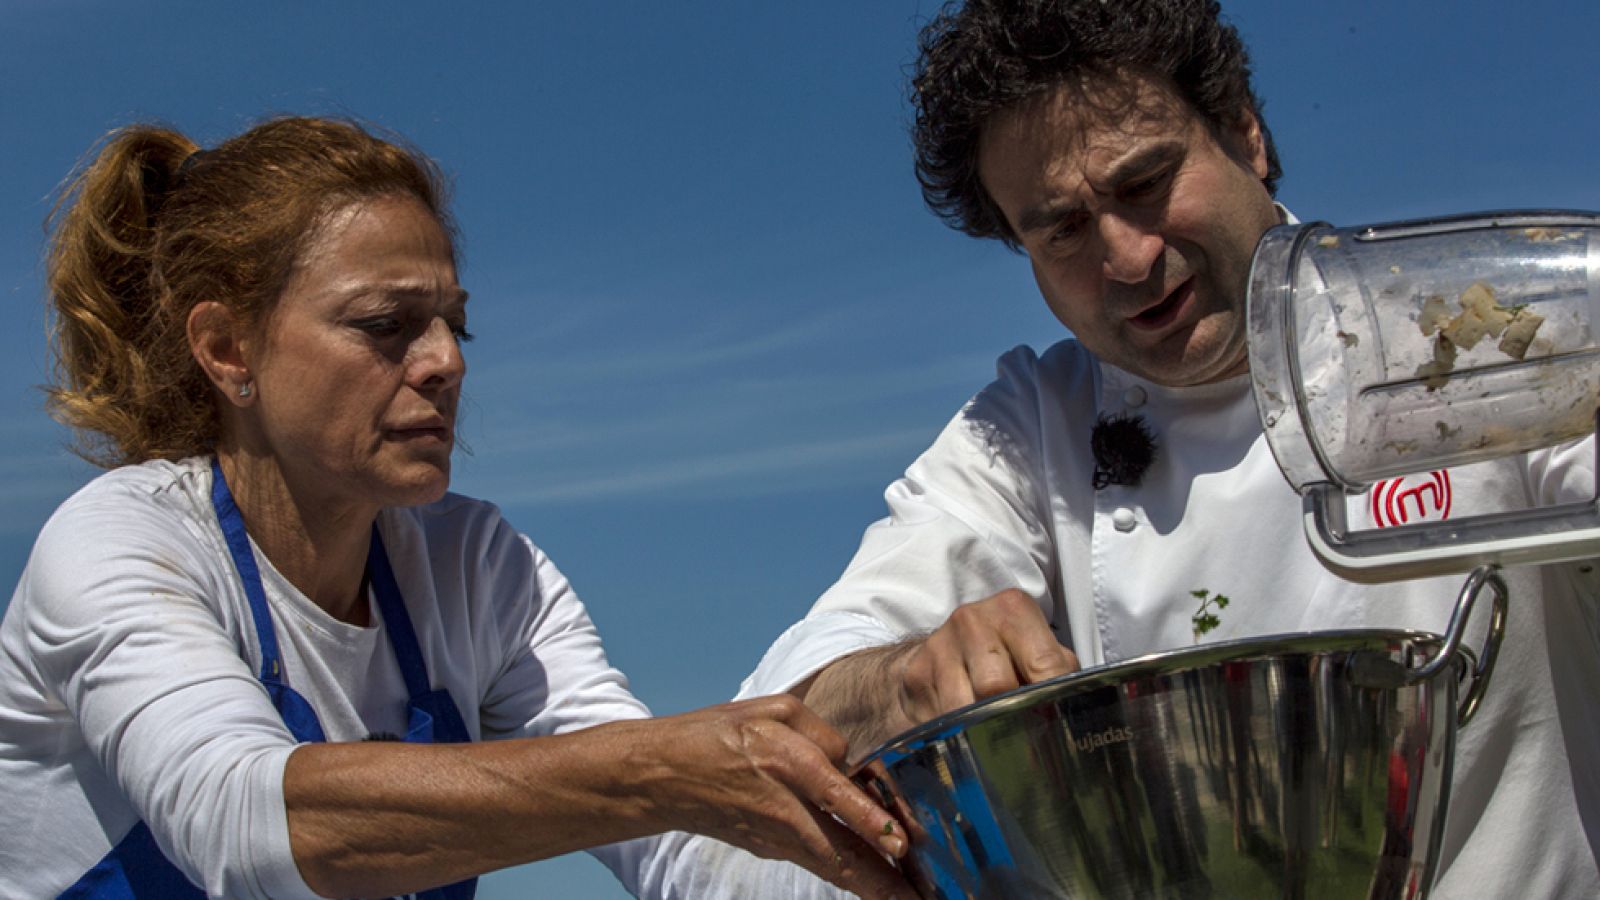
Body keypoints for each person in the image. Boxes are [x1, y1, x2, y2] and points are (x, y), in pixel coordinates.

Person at [651, 0, 1600, 897]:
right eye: (1061, 228)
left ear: (1244, 134)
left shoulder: (1478, 330)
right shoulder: (1033, 425)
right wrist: (907, 676)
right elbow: (791, 703)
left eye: (1145, 183)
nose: (1127, 258)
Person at [0, 116, 913, 899]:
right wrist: (665, 769)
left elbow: (679, 850)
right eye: (385, 325)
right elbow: (241, 822)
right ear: (228, 349)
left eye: (453, 322)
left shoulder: (476, 567)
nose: (446, 361)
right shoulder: (123, 543)